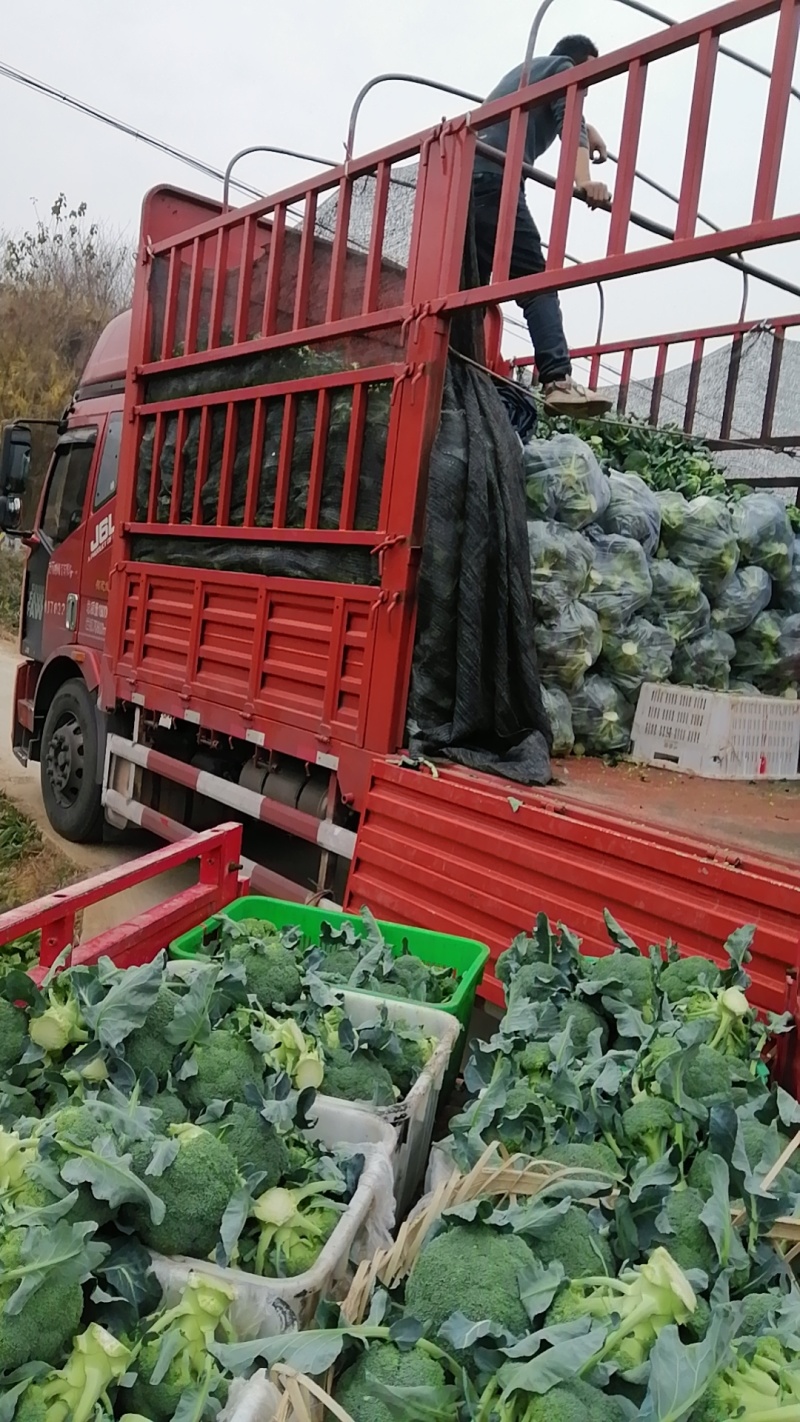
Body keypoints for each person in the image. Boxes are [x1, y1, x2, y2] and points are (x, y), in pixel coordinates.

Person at [473, 35, 613, 416]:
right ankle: (557, 379)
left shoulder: (530, 73)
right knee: (536, 281)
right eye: (588, 79)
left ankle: (459, 366)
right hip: (496, 179)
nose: (584, 90)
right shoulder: (563, 70)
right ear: (577, 63)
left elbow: (572, 117)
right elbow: (571, 127)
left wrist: (590, 127)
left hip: (465, 181)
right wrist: (584, 182)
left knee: (469, 290)